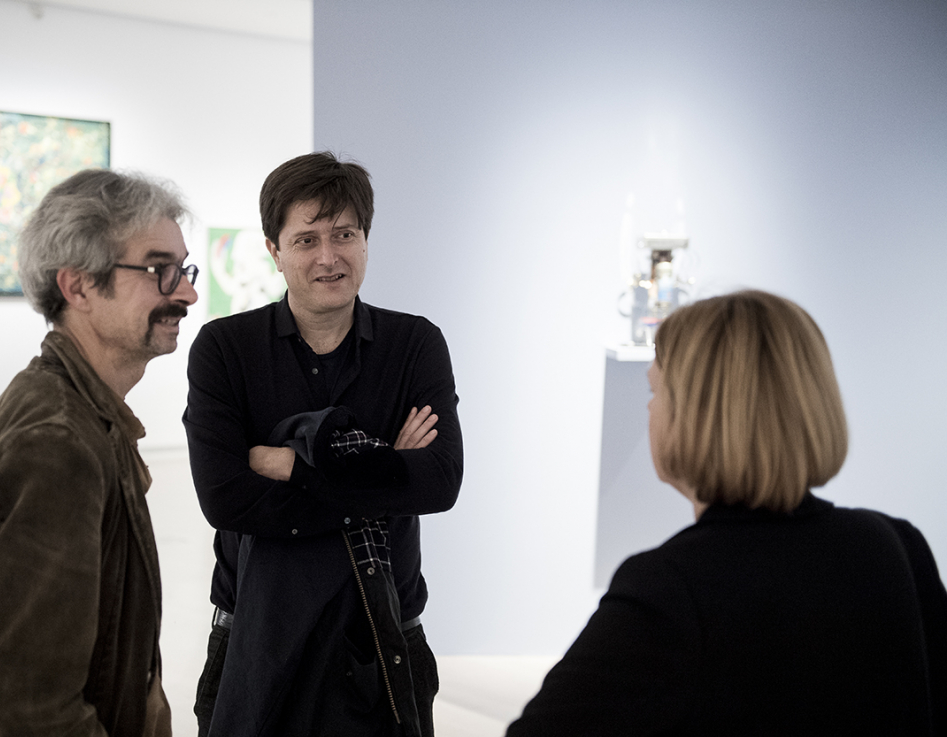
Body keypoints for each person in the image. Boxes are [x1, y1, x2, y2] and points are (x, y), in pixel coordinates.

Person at [508, 290, 947, 736]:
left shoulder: (670, 588)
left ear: (698, 414)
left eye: (655, 391)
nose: (649, 407)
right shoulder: (895, 545)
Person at [184, 151, 463, 736]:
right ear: (274, 250)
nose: (329, 257)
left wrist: (294, 467)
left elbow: (440, 482)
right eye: (306, 240)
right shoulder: (225, 349)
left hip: (385, 634)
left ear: (366, 240)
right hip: (252, 636)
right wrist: (385, 468)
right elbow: (226, 498)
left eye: (344, 235)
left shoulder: (414, 345)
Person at [0, 169, 199, 737]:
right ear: (77, 287)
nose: (187, 293)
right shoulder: (57, 443)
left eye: (184, 269)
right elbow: (32, 709)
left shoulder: (84, 416)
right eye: (160, 270)